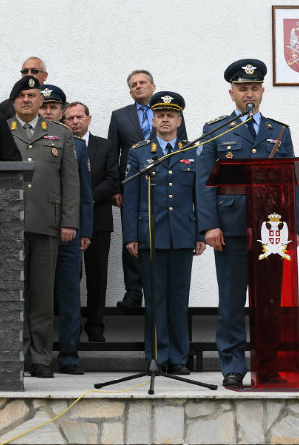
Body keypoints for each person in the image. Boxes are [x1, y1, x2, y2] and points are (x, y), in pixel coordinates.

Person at [195, 59, 299, 388]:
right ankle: (233, 365)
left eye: (254, 88)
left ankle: (267, 365)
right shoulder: (215, 131)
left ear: (263, 91)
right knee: (231, 300)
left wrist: (294, 225)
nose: (248, 93)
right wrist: (209, 226)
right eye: (242, 88)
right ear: (232, 93)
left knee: (269, 301)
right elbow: (203, 182)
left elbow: (292, 181)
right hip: (230, 228)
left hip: (272, 230)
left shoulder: (279, 132)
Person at [123, 91, 205, 375]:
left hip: (183, 234)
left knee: (178, 298)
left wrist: (201, 233)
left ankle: (179, 358)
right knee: (155, 298)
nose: (165, 120)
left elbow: (201, 195)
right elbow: (130, 197)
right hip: (150, 236)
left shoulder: (192, 151)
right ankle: (156, 356)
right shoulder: (139, 152)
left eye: (171, 115)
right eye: (160, 115)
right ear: (153, 120)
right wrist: (131, 236)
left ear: (179, 120)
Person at [7, 76, 80, 378]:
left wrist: (69, 221)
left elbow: (71, 182)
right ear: (14, 102)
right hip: (8, 224)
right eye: (22, 95)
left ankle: (40, 357)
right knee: (12, 293)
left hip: (47, 223)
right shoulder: (2, 131)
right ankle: (16, 355)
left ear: (41, 102)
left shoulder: (60, 134)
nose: (27, 99)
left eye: (32, 95)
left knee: (42, 294)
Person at [107, 70, 188, 309]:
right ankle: (133, 292)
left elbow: (182, 146)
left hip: (165, 186)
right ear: (129, 90)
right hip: (132, 187)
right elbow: (113, 153)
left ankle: (162, 291)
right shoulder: (119, 116)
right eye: (133, 84)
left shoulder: (171, 114)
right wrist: (116, 187)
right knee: (132, 238)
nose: (138, 87)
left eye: (142, 83)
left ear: (153, 86)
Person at [38, 85, 93, 375]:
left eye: (53, 107)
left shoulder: (76, 144)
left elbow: (82, 193)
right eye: (43, 106)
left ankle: (70, 355)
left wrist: (84, 229)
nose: (48, 111)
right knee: (37, 296)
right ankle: (36, 355)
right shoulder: (28, 140)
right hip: (40, 229)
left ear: (61, 111)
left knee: (70, 296)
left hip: (69, 233)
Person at [64, 101, 118, 342]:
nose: (75, 122)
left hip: (98, 219)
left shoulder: (105, 146)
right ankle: (71, 326)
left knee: (97, 277)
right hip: (68, 221)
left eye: (79, 117)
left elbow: (112, 178)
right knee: (70, 276)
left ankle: (95, 325)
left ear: (89, 118)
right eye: (70, 119)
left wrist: (87, 198)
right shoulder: (63, 145)